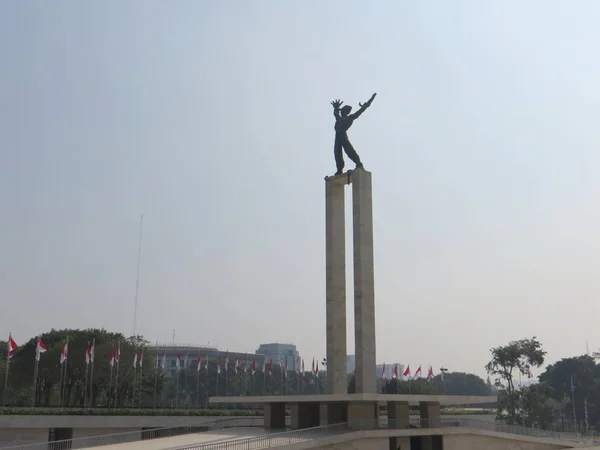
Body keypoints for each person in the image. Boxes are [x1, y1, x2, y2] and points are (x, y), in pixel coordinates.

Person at [330, 93, 377, 175]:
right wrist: (336, 108)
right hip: (337, 137)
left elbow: (361, 111)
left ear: (346, 111)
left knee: (349, 150)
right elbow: (335, 113)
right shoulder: (339, 118)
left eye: (343, 110)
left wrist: (369, 101)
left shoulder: (350, 117)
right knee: (337, 153)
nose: (341, 112)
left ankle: (359, 164)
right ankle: (339, 169)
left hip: (343, 136)